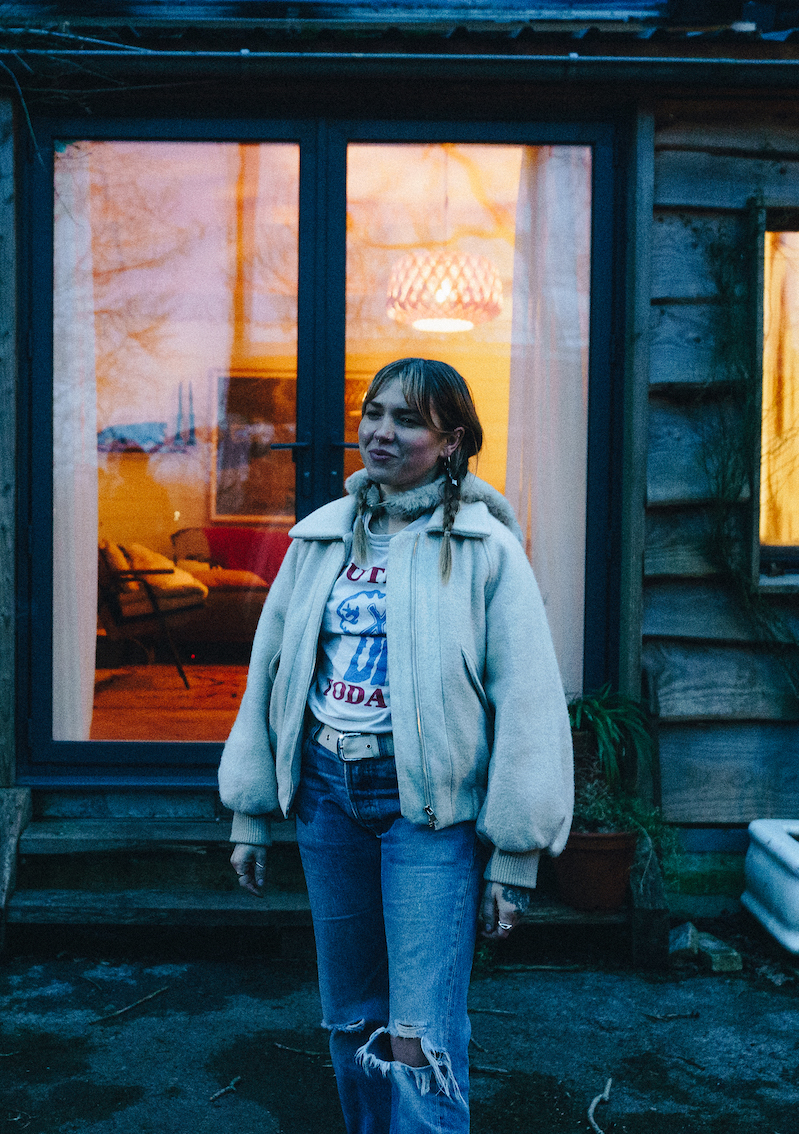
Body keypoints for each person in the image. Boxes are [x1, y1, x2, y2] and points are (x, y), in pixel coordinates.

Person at [219, 357, 574, 1134]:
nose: (381, 431)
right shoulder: (318, 540)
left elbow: (530, 703)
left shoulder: (486, 550)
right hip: (324, 795)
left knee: (419, 1033)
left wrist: (514, 856)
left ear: (450, 442)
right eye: (374, 412)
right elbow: (269, 673)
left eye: (408, 419)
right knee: (349, 1016)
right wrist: (250, 810)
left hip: (427, 810)